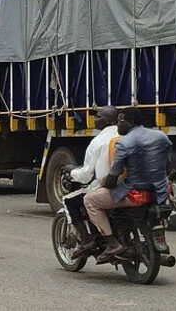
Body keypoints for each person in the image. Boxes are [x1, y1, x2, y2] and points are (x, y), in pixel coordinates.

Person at [81, 107, 171, 260]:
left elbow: (114, 175)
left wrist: (102, 186)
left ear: (130, 122)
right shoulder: (161, 136)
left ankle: (112, 244)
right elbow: (167, 164)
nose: (118, 125)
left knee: (89, 200)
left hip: (134, 191)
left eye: (120, 121)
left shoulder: (123, 143)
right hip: (160, 191)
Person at [64, 106, 118, 259]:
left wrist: (72, 172)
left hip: (104, 186)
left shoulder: (98, 141)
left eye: (98, 117)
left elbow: (87, 175)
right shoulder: (124, 135)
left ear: (107, 121)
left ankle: (87, 240)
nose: (94, 119)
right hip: (126, 184)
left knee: (69, 200)